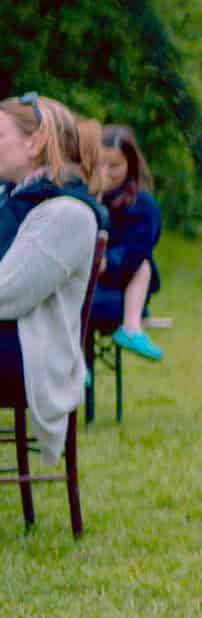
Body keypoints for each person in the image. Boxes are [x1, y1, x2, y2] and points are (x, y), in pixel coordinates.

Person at [0, 93, 109, 461]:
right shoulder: (12, 199)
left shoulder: (66, 212)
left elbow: (7, 294)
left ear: (35, 143)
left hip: (31, 357)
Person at [89, 123, 164, 362]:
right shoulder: (84, 195)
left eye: (114, 166)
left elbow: (135, 255)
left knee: (144, 266)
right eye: (100, 164)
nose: (105, 173)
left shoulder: (143, 206)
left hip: (118, 285)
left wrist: (105, 264)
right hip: (83, 279)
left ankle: (131, 328)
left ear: (131, 165)